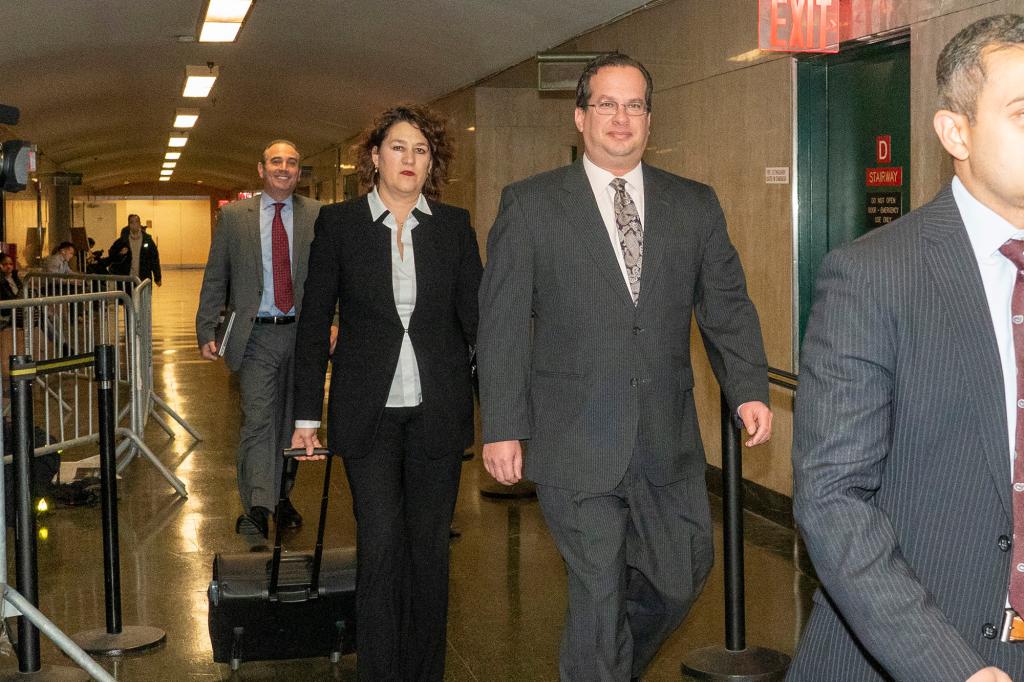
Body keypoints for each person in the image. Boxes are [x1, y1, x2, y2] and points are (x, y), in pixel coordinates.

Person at [477, 53, 772, 680]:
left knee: (683, 571)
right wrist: (502, 424)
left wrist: (747, 388)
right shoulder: (531, 205)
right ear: (580, 117)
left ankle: (604, 665)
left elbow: (724, 304)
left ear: (649, 119)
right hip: (573, 440)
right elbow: (501, 324)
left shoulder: (693, 204)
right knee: (597, 591)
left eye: (634, 104)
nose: (621, 117)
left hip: (666, 441)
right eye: (606, 104)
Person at [790, 15, 1024, 682]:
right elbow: (833, 499)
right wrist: (954, 671)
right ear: (956, 132)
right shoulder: (873, 276)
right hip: (918, 655)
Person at [291, 104, 482, 681]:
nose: (410, 160)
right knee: (380, 545)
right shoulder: (340, 224)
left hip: (437, 410)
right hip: (367, 412)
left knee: (429, 550)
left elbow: (478, 325)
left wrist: (502, 416)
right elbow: (313, 319)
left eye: (421, 151)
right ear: (373, 157)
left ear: (433, 164)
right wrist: (305, 416)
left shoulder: (453, 227)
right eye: (399, 148)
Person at [195, 140, 322, 539]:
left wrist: (333, 321)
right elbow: (216, 274)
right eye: (276, 161)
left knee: (296, 422)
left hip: (304, 335)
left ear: (298, 171)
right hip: (256, 335)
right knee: (259, 419)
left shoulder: (319, 216)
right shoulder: (235, 217)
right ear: (261, 169)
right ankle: (258, 505)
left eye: (292, 162)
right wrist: (205, 328)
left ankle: (283, 498)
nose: (284, 168)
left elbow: (331, 277)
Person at [108, 215, 160, 285]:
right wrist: (120, 254)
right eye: (131, 222)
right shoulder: (123, 240)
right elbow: (112, 255)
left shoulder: (147, 240)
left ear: (140, 224)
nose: (134, 224)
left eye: (136, 222)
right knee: (128, 296)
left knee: (144, 296)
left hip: (143, 278)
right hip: (127, 280)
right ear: (129, 225)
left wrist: (157, 277)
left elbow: (154, 259)